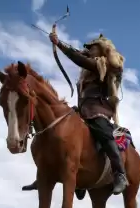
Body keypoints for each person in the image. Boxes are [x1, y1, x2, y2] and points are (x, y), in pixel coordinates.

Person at [21, 33, 128, 196]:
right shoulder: (88, 70)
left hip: (97, 110)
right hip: (82, 110)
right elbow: (81, 59)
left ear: (102, 49)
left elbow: (80, 60)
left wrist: (60, 45)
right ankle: (46, 175)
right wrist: (73, 50)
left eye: (93, 47)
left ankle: (120, 174)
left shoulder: (102, 64)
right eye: (89, 48)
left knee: (105, 134)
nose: (89, 50)